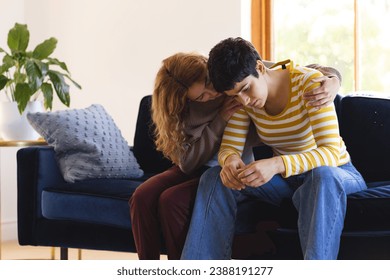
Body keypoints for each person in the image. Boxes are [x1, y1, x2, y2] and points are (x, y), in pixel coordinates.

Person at [130, 51, 342, 260]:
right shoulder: (201, 104)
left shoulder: (240, 80)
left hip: (303, 168)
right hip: (199, 164)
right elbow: (190, 162)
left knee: (171, 200)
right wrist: (224, 132)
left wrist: (334, 79)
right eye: (202, 96)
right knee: (144, 195)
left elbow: (285, 71)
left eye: (208, 82)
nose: (212, 93)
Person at [181, 37, 367, 260]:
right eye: (235, 96)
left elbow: (329, 152)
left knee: (323, 176)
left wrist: (277, 164)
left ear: (260, 67)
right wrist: (229, 161)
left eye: (246, 89)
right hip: (287, 182)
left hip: (337, 173)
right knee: (214, 177)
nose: (244, 101)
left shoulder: (310, 84)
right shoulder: (243, 101)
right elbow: (229, 147)